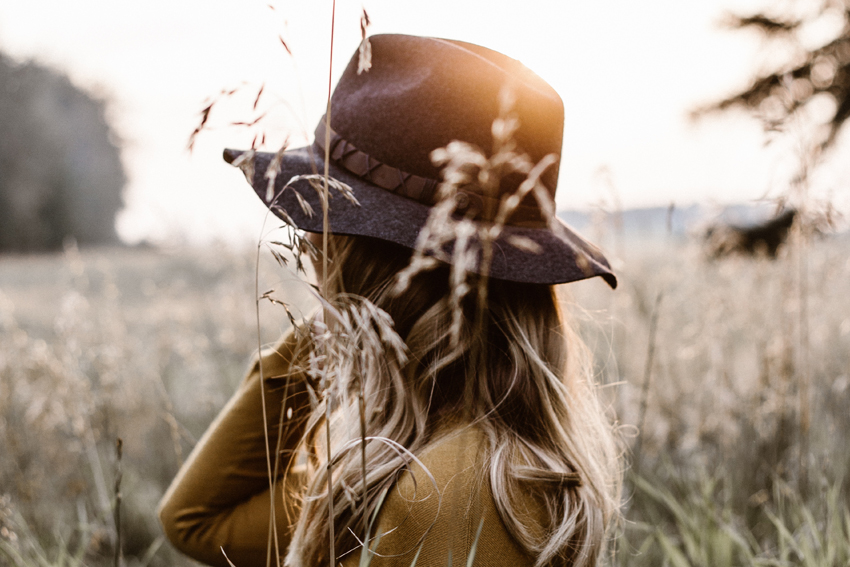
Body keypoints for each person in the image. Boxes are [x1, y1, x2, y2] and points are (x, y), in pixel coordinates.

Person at [158, 34, 621, 567]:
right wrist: (349, 321)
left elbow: (196, 523)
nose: (309, 243)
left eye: (324, 226)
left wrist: (348, 312)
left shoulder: (445, 491)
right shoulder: (397, 458)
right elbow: (198, 523)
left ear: (372, 257)